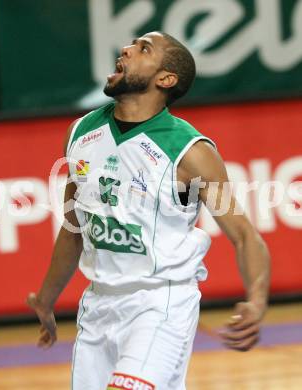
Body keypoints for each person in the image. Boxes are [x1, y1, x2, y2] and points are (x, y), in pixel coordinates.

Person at [27, 31, 270, 390]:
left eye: (144, 48)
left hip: (161, 302)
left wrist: (258, 298)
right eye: (130, 44)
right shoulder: (80, 133)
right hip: (98, 305)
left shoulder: (191, 152)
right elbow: (74, 224)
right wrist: (46, 299)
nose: (126, 48)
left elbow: (245, 235)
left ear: (166, 79)